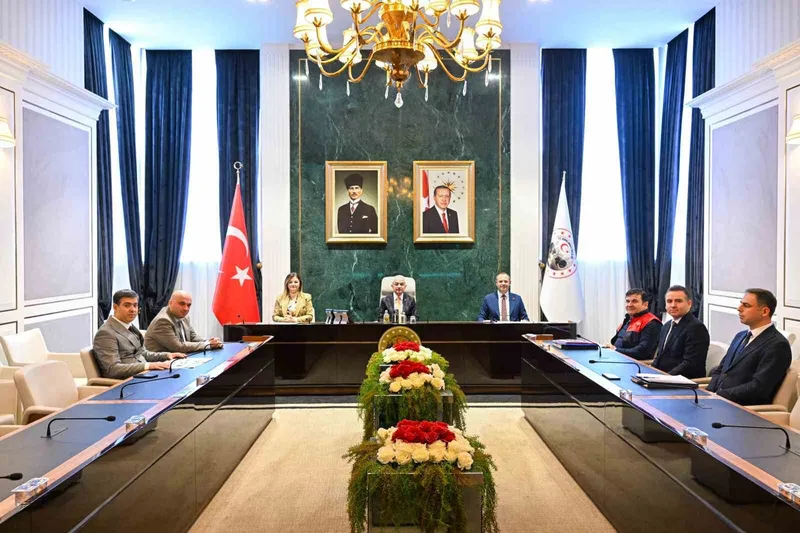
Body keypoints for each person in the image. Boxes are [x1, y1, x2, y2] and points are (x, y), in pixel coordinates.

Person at [708, 289, 791, 406]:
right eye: (741, 303)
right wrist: (708, 393)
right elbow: (721, 369)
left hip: (742, 408)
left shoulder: (777, 345)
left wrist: (719, 395)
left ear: (765, 311)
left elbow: (759, 388)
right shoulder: (740, 336)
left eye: (746, 305)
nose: (739, 308)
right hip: (718, 401)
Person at [93, 289, 185, 379]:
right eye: (127, 305)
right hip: (128, 381)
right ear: (115, 307)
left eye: (135, 305)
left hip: (145, 375)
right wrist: (149, 366)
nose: (132, 309)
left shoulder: (130, 326)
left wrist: (167, 355)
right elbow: (113, 369)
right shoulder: (106, 333)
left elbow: (142, 353)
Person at [651, 285, 709, 378]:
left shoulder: (696, 328)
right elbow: (660, 357)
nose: (673, 305)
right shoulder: (666, 326)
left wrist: (665, 378)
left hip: (682, 381)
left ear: (689, 304)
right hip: (662, 378)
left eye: (678, 301)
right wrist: (648, 373)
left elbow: (690, 364)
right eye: (669, 301)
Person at [145, 290, 222, 353]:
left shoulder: (184, 317)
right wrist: (207, 345)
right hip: (162, 363)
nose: (186, 309)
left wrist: (209, 341)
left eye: (189, 305)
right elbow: (178, 347)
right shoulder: (162, 321)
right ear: (170, 303)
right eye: (182, 304)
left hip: (181, 359)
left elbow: (193, 337)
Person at [604, 289, 662, 360]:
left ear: (645, 305)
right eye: (627, 301)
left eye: (634, 301)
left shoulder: (652, 322)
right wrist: (610, 349)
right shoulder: (628, 319)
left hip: (635, 363)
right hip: (616, 357)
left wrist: (616, 350)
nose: (629, 305)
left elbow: (642, 351)